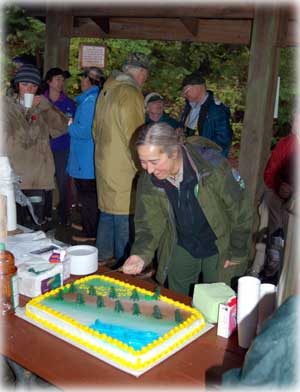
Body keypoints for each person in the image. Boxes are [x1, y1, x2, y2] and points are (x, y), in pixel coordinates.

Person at [122, 122, 253, 296]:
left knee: (217, 302)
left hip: (218, 244)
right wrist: (140, 254)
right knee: (177, 300)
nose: (149, 170)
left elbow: (240, 210)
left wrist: (238, 251)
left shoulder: (212, 168)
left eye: (154, 161)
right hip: (181, 241)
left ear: (174, 152)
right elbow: (148, 224)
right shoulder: (148, 180)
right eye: (143, 162)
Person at [93, 52, 150, 268]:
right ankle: (125, 264)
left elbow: (94, 130)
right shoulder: (130, 93)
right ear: (141, 73)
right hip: (124, 166)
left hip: (104, 160)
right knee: (125, 214)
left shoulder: (107, 90)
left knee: (107, 210)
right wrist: (142, 166)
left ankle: (101, 256)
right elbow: (135, 136)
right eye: (145, 75)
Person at [2, 64, 69, 225]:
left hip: (37, 178)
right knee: (12, 227)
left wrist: (45, 107)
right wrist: (23, 112)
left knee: (35, 228)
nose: (29, 90)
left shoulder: (42, 107)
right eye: (25, 84)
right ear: (17, 85)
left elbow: (62, 127)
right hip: (13, 179)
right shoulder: (5, 107)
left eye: (33, 86)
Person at [67, 67, 105, 242]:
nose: (80, 82)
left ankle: (90, 233)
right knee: (87, 195)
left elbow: (84, 131)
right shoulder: (92, 99)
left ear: (89, 81)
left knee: (88, 196)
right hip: (86, 157)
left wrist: (70, 125)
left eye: (82, 79)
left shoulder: (90, 102)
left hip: (86, 159)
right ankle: (87, 224)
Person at [43, 67, 77, 224]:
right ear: (49, 82)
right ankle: (45, 214)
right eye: (57, 79)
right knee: (45, 183)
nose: (61, 83)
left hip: (63, 148)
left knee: (64, 182)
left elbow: (74, 126)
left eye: (63, 80)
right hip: (43, 150)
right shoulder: (39, 101)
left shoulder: (69, 103)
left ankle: (65, 215)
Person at [179, 71, 232, 157]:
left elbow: (224, 141)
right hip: (190, 156)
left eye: (186, 90)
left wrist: (206, 157)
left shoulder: (216, 109)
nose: (184, 94)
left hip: (207, 161)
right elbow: (183, 127)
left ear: (198, 88)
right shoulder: (189, 106)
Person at [263, 111, 298, 238]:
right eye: (294, 120)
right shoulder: (284, 144)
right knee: (271, 199)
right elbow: (270, 173)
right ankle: (275, 246)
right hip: (281, 191)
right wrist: (280, 186)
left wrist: (294, 191)